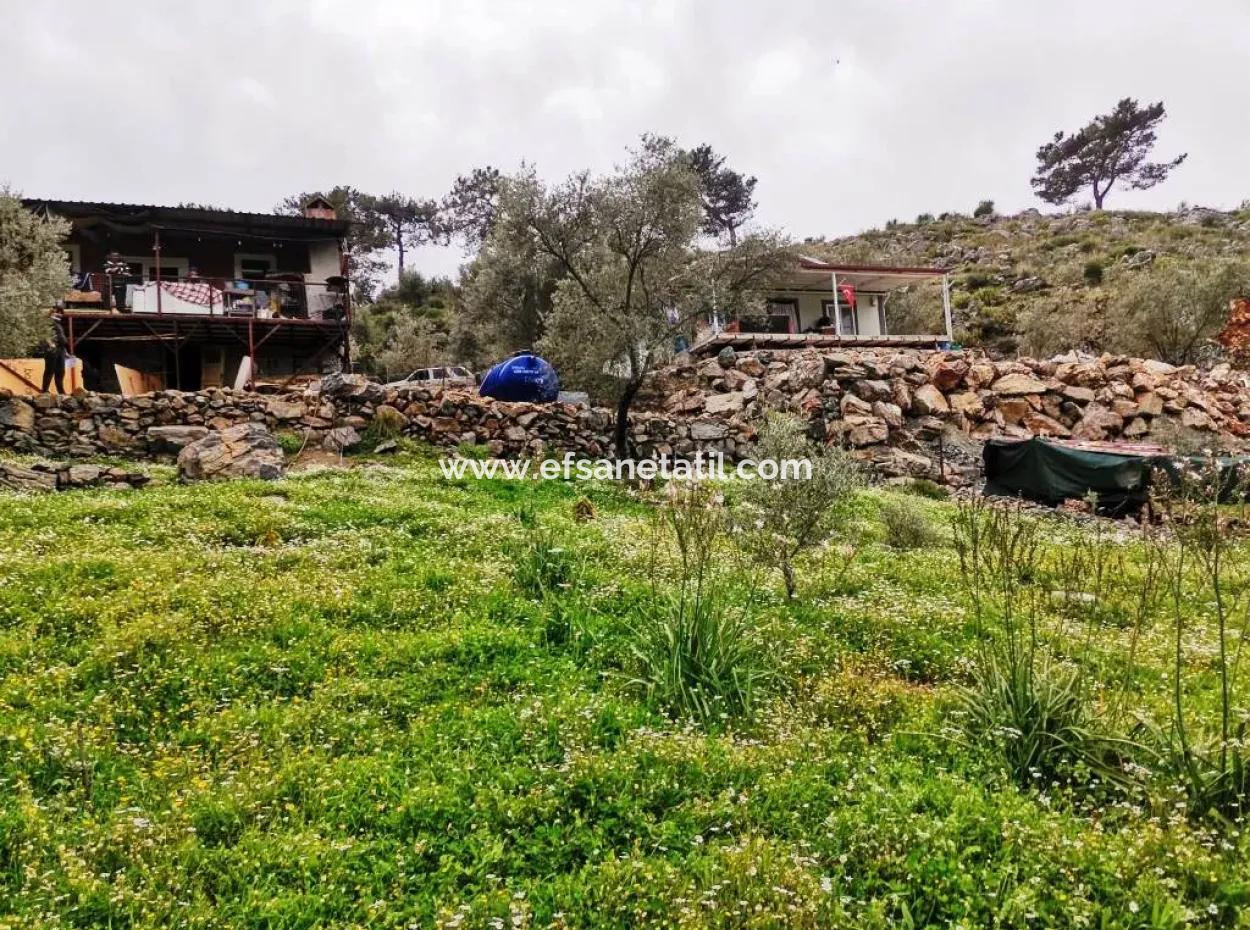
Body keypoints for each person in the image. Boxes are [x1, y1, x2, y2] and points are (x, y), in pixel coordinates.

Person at [40, 311, 69, 394]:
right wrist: (50, 344)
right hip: (52, 349)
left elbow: (61, 337)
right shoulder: (48, 323)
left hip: (61, 349)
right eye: (57, 313)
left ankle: (61, 391)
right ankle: (45, 390)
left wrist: (65, 351)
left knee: (61, 371)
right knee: (50, 370)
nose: (59, 314)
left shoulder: (58, 324)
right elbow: (45, 334)